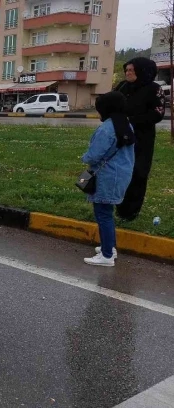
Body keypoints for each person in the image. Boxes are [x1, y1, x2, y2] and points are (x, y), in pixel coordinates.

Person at [81, 91, 135, 267]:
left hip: (107, 176)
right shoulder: (125, 124)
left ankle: (107, 256)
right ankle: (109, 247)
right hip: (121, 174)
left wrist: (85, 158)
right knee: (107, 213)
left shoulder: (107, 128)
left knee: (103, 214)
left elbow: (93, 155)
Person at [113, 57, 165, 221]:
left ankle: (131, 211)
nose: (128, 73)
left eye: (131, 70)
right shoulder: (122, 86)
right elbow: (111, 102)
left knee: (138, 173)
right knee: (120, 171)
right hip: (120, 136)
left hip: (142, 139)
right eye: (126, 70)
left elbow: (157, 113)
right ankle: (118, 207)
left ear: (142, 71)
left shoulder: (154, 89)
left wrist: (131, 120)